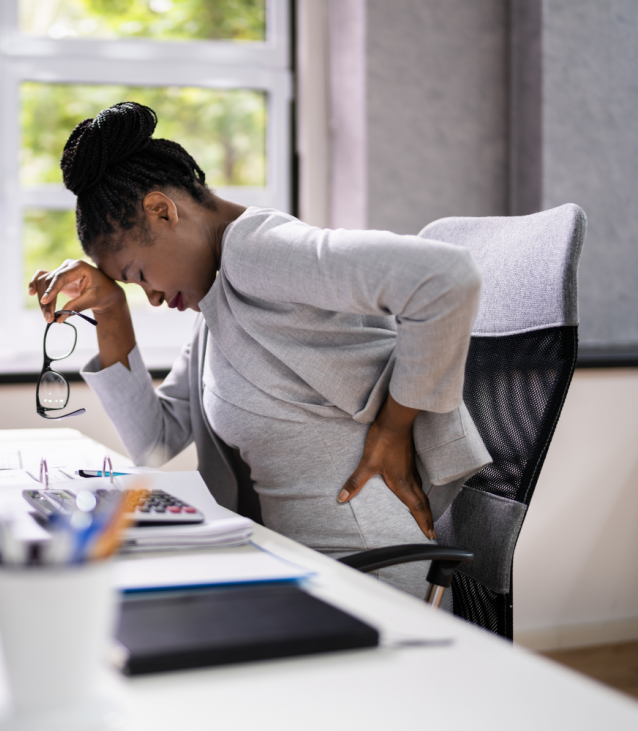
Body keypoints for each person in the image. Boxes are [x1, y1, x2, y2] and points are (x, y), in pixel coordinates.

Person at [28, 102, 491, 599]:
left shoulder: (259, 252)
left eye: (139, 275)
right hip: (292, 561)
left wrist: (394, 428)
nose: (154, 298)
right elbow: (153, 441)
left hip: (361, 568)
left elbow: (446, 279)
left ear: (162, 211)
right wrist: (111, 310)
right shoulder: (220, 304)